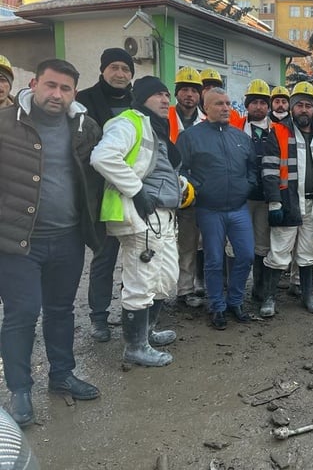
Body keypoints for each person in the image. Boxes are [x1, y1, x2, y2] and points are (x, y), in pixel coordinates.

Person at [0, 58, 103, 427]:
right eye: (51, 85)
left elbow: (100, 171)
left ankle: (61, 375)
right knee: (22, 314)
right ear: (33, 83)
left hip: (68, 238)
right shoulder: (5, 124)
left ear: (74, 92)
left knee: (61, 311)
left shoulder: (84, 126)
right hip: (17, 243)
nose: (57, 94)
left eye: (65, 88)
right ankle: (20, 391)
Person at [91, 76, 180, 367]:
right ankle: (135, 346)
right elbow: (103, 157)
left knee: (164, 278)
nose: (165, 100)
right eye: (158, 94)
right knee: (141, 280)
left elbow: (158, 167)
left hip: (164, 215)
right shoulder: (129, 122)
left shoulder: (158, 128)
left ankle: (148, 332)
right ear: (141, 97)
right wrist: (137, 191)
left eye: (167, 95)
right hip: (142, 214)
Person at [177, 88, 257, 330]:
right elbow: (181, 170)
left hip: (238, 207)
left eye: (228, 103)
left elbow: (252, 168)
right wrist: (199, 188)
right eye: (219, 104)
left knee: (245, 254)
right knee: (213, 259)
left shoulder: (241, 137)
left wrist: (247, 186)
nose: (225, 108)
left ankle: (235, 301)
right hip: (209, 209)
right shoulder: (190, 137)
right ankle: (217, 306)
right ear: (206, 108)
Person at [260, 82, 313, 315]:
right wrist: (275, 203)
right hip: (288, 202)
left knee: (308, 253)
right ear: (292, 108)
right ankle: (269, 298)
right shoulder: (278, 131)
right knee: (278, 254)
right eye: (299, 106)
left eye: (308, 105)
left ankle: (308, 296)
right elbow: (269, 171)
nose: (304, 110)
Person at [76, 47, 135, 342]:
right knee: (104, 257)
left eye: (126, 69)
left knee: (136, 258)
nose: (120, 74)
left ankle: (131, 312)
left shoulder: (138, 102)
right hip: (100, 195)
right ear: (102, 70)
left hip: (136, 194)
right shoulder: (83, 101)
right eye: (114, 67)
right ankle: (98, 317)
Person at [167, 67, 207, 308]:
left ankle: (188, 289)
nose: (189, 95)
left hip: (195, 190)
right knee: (165, 244)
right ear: (177, 93)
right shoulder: (165, 117)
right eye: (185, 90)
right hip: (167, 186)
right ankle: (162, 292)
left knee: (192, 242)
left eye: (194, 90)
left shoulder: (206, 119)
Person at [240, 79, 276, 317]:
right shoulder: (235, 126)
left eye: (263, 103)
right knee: (238, 246)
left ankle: (261, 291)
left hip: (265, 197)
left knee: (262, 246)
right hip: (241, 198)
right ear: (247, 105)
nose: (259, 107)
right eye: (255, 102)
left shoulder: (278, 130)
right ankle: (236, 292)